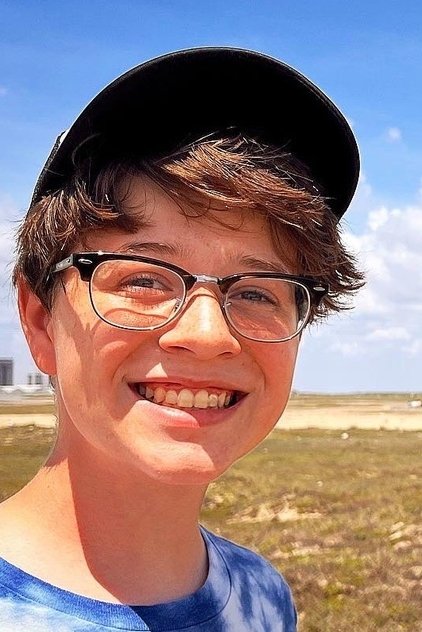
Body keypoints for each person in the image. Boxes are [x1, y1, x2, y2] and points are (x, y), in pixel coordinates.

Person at [0, 47, 363, 630]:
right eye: (143, 279)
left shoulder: (265, 598)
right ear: (40, 319)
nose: (208, 334)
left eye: (256, 292)